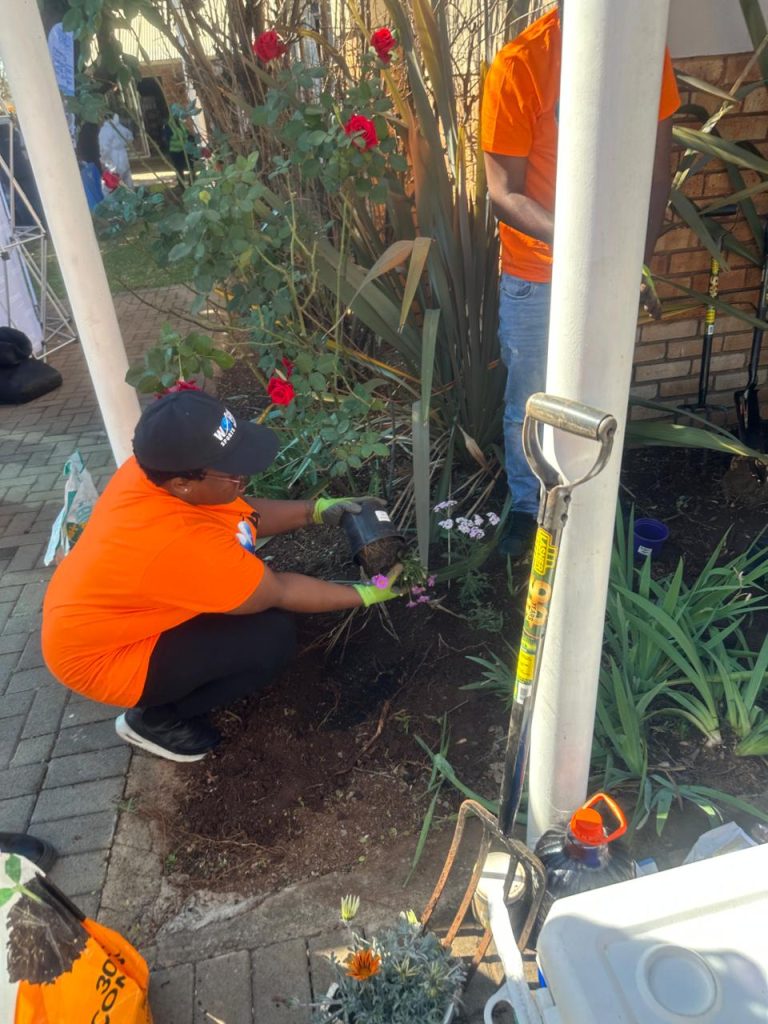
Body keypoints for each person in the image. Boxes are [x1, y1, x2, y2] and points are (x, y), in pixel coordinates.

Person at [41, 392, 402, 764]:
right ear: (183, 483)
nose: (243, 477)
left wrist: (317, 510)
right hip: (105, 658)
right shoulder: (180, 543)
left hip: (109, 614)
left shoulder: (157, 471)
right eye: (232, 472)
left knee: (251, 615)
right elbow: (278, 590)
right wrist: (367, 592)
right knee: (270, 638)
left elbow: (241, 515)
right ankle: (155, 719)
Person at [481, 2, 680, 556]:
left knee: (601, 394)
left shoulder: (645, 50)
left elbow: (657, 170)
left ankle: (590, 510)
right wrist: (587, 250)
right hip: (537, 274)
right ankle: (528, 509)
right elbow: (503, 193)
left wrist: (634, 263)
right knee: (531, 402)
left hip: (613, 268)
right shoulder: (521, 65)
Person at [98, 113, 134, 189]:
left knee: (113, 181)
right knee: (127, 179)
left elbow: (104, 148)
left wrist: (103, 160)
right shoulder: (120, 127)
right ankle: (131, 194)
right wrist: (123, 144)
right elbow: (130, 137)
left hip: (112, 157)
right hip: (123, 155)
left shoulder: (105, 130)